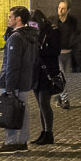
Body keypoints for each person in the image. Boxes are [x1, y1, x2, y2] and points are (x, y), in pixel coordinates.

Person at [0, 6, 39, 153]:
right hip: (25, 81)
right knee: (23, 111)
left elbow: (12, 65)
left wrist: (9, 87)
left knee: (10, 111)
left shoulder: (16, 38)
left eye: (10, 17)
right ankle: (22, 140)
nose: (8, 19)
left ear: (18, 19)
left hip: (15, 82)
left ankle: (11, 141)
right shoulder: (30, 35)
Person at [30, 9, 61, 146]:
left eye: (34, 25)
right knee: (40, 104)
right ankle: (44, 132)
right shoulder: (34, 33)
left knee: (44, 103)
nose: (33, 28)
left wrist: (39, 50)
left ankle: (49, 133)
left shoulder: (52, 31)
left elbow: (55, 51)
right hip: (36, 72)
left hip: (48, 71)